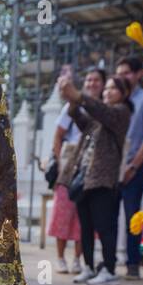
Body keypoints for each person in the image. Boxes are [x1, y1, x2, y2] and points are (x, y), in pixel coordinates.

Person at [60, 71, 133, 285]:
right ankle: (89, 267)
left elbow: (101, 111)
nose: (108, 91)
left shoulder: (121, 113)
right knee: (86, 227)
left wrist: (80, 96)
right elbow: (81, 119)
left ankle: (109, 269)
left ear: (124, 93)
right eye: (107, 88)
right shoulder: (98, 117)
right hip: (85, 179)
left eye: (113, 88)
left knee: (104, 227)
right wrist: (72, 101)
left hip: (103, 179)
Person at [115, 55, 143, 279]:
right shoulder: (114, 99)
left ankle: (133, 263)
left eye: (127, 73)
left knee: (132, 215)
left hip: (133, 167)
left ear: (138, 74)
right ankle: (108, 263)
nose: (123, 77)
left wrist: (133, 166)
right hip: (110, 168)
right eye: (120, 73)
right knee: (107, 217)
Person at [48, 67, 86, 273]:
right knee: (62, 212)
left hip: (87, 165)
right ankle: (60, 257)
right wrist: (61, 161)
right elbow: (58, 135)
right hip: (68, 165)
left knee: (81, 216)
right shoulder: (70, 108)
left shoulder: (94, 106)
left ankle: (77, 259)